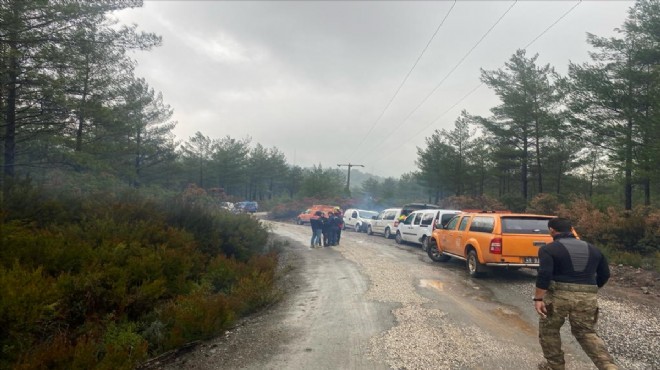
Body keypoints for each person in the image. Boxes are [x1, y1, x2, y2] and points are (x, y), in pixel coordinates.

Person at [534, 217, 618, 370]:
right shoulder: (594, 249)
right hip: (587, 297)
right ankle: (608, 366)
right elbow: (605, 274)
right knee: (585, 332)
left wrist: (538, 298)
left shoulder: (548, 249)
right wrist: (589, 289)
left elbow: (544, 274)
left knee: (549, 330)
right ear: (571, 229)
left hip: (558, 296)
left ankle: (555, 366)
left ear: (551, 230)